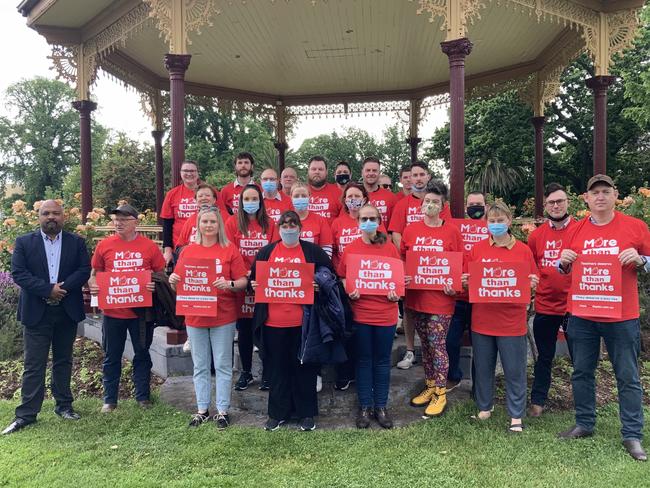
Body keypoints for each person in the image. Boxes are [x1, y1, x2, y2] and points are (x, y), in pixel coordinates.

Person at [558, 174, 650, 461]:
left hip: (622, 315)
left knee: (627, 375)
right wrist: (562, 263)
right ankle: (585, 424)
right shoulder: (575, 230)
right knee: (582, 371)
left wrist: (641, 260)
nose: (600, 196)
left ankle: (632, 435)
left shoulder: (635, 227)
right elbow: (563, 267)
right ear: (586, 198)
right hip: (583, 313)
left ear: (615, 195)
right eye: (594, 192)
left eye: (605, 191)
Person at [2, 200, 91, 435]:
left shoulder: (77, 242)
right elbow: (19, 273)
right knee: (34, 364)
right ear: (38, 216)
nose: (51, 217)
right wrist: (47, 289)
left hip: (66, 309)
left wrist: (62, 289)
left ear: (63, 217)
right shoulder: (23, 242)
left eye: (56, 213)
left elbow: (83, 269)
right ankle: (26, 414)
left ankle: (64, 406)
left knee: (63, 360)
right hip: (36, 311)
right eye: (46, 213)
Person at [250, 210, 332, 432]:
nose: (289, 228)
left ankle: (306, 414)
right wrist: (254, 285)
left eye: (292, 224)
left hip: (303, 325)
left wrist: (319, 283)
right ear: (278, 228)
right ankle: (277, 414)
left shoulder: (312, 251)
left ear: (300, 228)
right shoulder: (266, 252)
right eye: (284, 225)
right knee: (277, 369)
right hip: (272, 324)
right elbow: (253, 280)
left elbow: (329, 276)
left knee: (304, 369)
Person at [169, 207, 248, 429]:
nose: (209, 225)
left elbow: (242, 281)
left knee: (223, 365)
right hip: (195, 316)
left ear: (219, 225)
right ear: (198, 224)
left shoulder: (229, 249)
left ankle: (222, 411)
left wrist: (230, 284)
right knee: (200, 365)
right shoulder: (187, 251)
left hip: (223, 315)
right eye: (205, 221)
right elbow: (180, 285)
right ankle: (202, 409)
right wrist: (173, 280)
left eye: (213, 221)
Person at [463, 201, 538, 433]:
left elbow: (534, 280)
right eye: (491, 221)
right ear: (486, 223)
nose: (496, 225)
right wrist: (465, 282)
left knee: (514, 370)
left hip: (512, 321)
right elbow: (468, 281)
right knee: (483, 368)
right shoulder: (477, 249)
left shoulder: (523, 250)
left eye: (500, 220)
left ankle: (516, 414)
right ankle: (485, 407)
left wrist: (533, 284)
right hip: (482, 320)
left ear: (509, 221)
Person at [88, 204, 165, 413]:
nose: (118, 223)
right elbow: (95, 273)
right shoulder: (105, 245)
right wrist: (93, 284)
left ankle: (143, 397)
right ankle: (109, 400)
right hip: (113, 312)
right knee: (112, 355)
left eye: (124, 219)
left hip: (140, 313)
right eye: (116, 219)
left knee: (142, 353)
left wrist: (153, 284)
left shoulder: (149, 247)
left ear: (135, 222)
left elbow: (161, 276)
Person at [401, 180, 463, 417]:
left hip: (440, 301)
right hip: (417, 298)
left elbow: (459, 263)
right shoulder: (410, 230)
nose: (430, 205)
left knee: (438, 346)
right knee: (425, 345)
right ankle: (429, 385)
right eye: (427, 201)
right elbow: (404, 260)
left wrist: (453, 286)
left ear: (443, 205)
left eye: (435, 202)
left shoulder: (451, 231)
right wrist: (404, 277)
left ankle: (440, 392)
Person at [338, 204, 401, 429]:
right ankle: (365, 407)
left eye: (372, 218)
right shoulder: (351, 248)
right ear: (357, 222)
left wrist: (396, 294)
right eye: (364, 219)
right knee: (364, 360)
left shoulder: (390, 248)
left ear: (379, 220)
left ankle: (381, 407)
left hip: (386, 313)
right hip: (361, 313)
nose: (367, 222)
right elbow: (343, 277)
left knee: (382, 361)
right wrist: (349, 289)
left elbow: (397, 279)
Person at [390, 161, 450, 369]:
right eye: (413, 175)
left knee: (431, 321)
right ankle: (409, 350)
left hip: (434, 268)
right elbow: (397, 233)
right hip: (410, 264)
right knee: (409, 308)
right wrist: (411, 257)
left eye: (421, 174)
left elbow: (447, 231)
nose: (417, 178)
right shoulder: (403, 204)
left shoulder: (442, 204)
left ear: (428, 176)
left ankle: (434, 372)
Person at [527, 183, 576, 418]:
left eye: (560, 201)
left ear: (567, 202)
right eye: (551, 202)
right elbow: (532, 267)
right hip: (546, 304)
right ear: (545, 205)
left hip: (575, 306)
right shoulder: (536, 236)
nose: (556, 206)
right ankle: (538, 401)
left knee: (580, 357)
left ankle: (583, 402)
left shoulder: (580, 230)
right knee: (545, 356)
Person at [225, 185, 277, 391]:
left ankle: (267, 373)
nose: (250, 202)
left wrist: (256, 273)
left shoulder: (270, 224)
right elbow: (231, 251)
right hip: (241, 283)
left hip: (263, 282)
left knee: (265, 329)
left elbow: (273, 250)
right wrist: (245, 274)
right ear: (240, 201)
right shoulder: (231, 223)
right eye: (246, 198)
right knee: (245, 330)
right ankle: (246, 372)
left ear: (261, 201)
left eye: (254, 198)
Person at [446, 190, 488, 390]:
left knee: (480, 345)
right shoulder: (455, 229)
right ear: (465, 207)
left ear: (485, 207)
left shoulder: (493, 229)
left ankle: (478, 387)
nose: (475, 208)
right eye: (471, 204)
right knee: (450, 340)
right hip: (457, 296)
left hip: (481, 299)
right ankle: (454, 376)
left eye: (479, 204)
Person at [161, 160, 201, 265]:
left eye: (192, 170)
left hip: (204, 246)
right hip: (179, 248)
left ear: (197, 173)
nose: (189, 174)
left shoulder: (210, 192)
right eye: (186, 171)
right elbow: (167, 224)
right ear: (180, 173)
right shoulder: (172, 194)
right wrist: (167, 251)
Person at [176, 183, 229, 248]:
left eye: (207, 195)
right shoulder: (191, 219)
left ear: (214, 199)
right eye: (200, 196)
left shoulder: (226, 217)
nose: (204, 198)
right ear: (196, 200)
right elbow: (179, 246)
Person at [291, 181, 333, 257]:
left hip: (315, 264)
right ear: (291, 197)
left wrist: (321, 264)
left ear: (309, 197)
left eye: (304, 196)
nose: (300, 198)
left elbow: (327, 247)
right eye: (296, 196)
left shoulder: (320, 220)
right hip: (292, 265)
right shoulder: (285, 221)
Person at [361, 157, 397, 226]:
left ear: (379, 173)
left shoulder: (391, 197)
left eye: (374, 170)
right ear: (362, 172)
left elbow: (395, 227)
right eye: (368, 170)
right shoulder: (355, 196)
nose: (371, 173)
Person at [307, 156, 342, 224]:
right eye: (314, 169)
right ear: (308, 171)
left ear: (326, 172)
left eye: (320, 169)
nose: (317, 172)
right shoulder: (299, 192)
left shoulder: (338, 192)